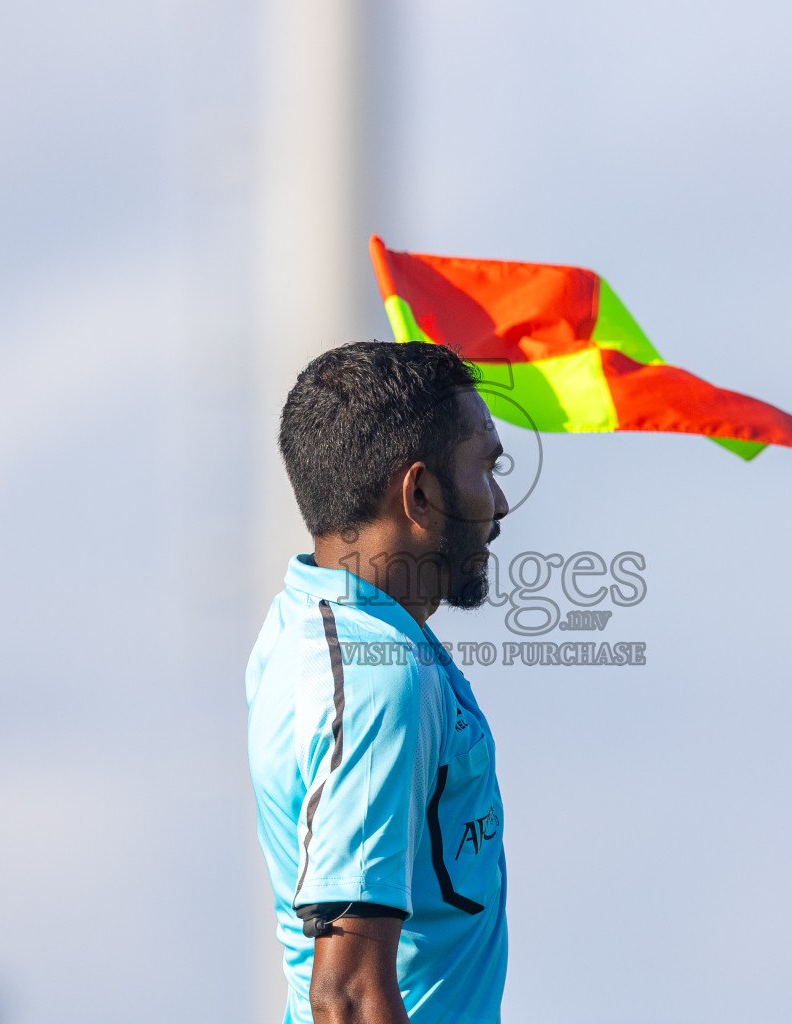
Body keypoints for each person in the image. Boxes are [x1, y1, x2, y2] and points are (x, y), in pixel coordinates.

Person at [247, 341, 511, 1024]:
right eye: (487, 467)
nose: (503, 502)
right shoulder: (374, 676)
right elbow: (350, 995)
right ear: (419, 492)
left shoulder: (317, 620)